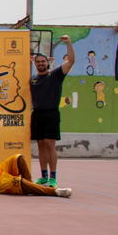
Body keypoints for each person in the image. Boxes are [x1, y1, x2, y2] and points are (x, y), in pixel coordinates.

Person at [31, 34, 74, 187]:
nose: (40, 64)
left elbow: (70, 62)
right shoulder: (32, 79)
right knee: (40, 145)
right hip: (37, 115)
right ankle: (43, 176)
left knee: (50, 144)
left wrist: (68, 43)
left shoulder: (55, 75)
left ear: (48, 62)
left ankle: (53, 177)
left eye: (43, 61)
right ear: (35, 64)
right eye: (38, 62)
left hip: (51, 114)